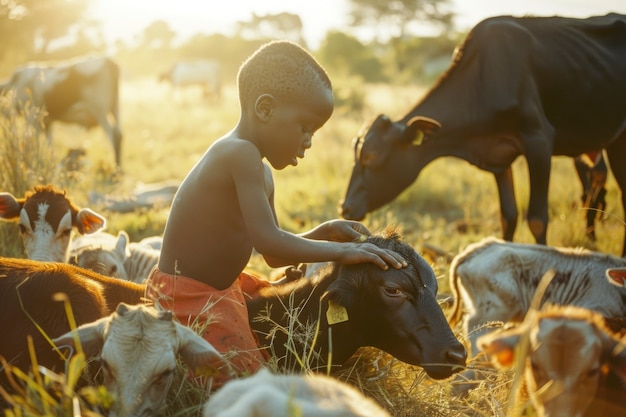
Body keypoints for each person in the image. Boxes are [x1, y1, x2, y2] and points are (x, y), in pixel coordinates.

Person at [145, 40, 407, 384]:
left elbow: (271, 251)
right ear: (265, 109)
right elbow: (272, 241)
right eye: (305, 127)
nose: (309, 141)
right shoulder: (239, 155)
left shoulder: (258, 167)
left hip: (223, 289)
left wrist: (324, 231)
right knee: (250, 381)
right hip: (189, 297)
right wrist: (345, 250)